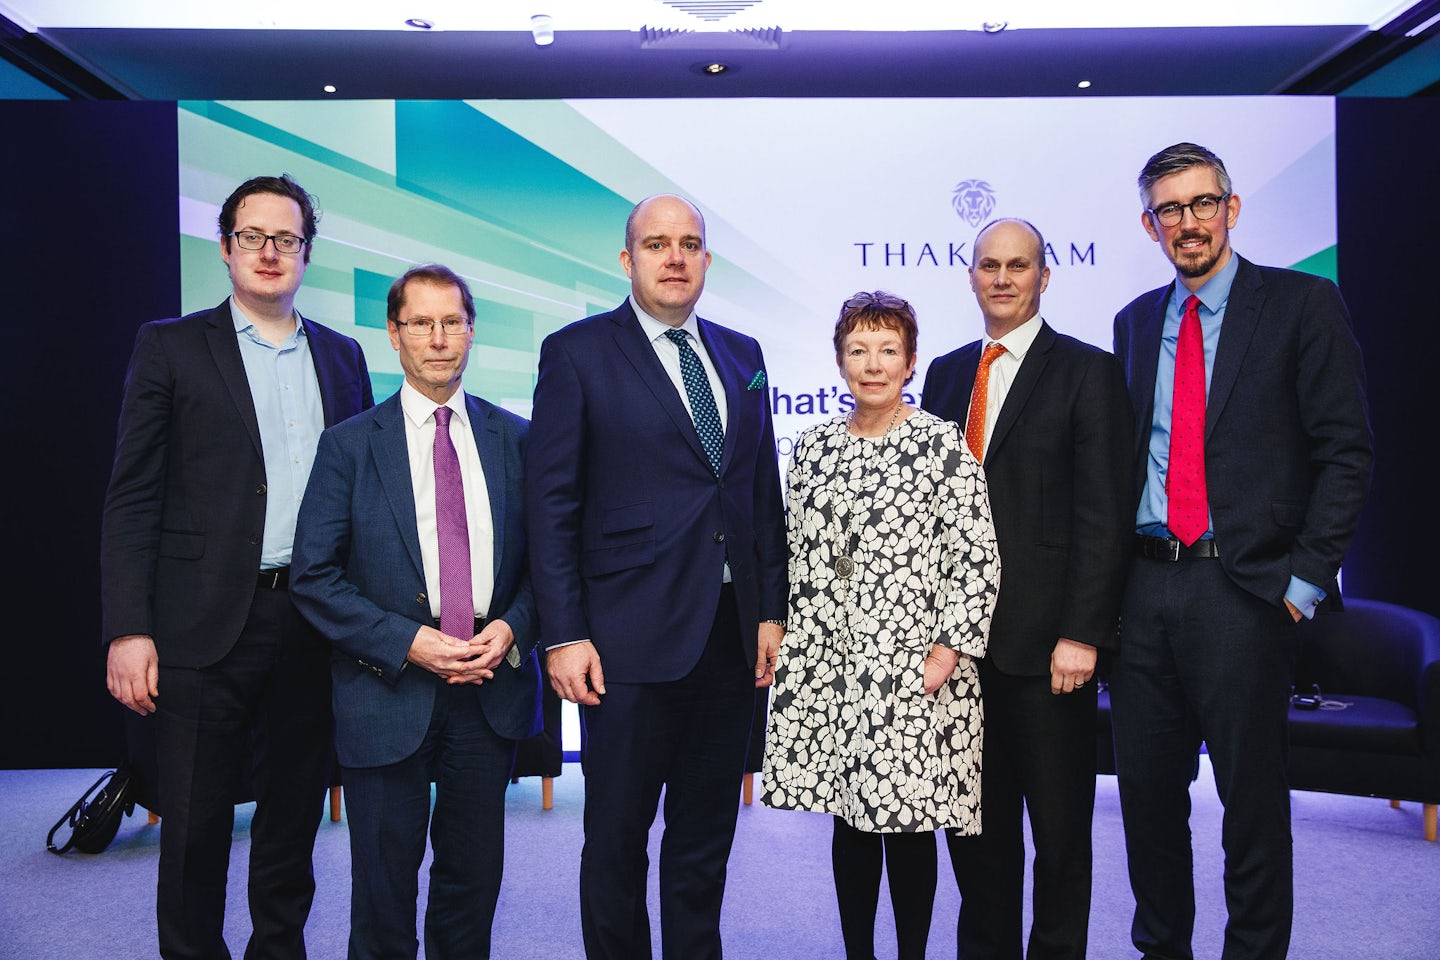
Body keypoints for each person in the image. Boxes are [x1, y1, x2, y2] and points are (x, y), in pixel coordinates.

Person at [100, 174, 373, 959]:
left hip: (312, 621)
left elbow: (358, 495)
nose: (268, 252)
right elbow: (131, 497)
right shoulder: (171, 346)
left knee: (292, 817)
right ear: (224, 249)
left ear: (306, 254)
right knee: (195, 823)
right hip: (200, 624)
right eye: (251, 236)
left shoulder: (342, 356)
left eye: (285, 239)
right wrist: (128, 628)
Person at [1111, 142, 1372, 960]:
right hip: (1145, 592)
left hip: (1245, 590)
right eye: (1169, 210)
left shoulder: (1302, 305)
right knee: (1148, 804)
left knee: (1251, 805)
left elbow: (1346, 451)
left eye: (1202, 203)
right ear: (1149, 226)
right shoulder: (1133, 322)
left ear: (1232, 206)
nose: (1188, 223)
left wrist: (1303, 581)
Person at [526, 194, 788, 960]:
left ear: (707, 258)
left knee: (704, 842)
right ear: (627, 259)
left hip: (729, 638)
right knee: (616, 840)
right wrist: (565, 633)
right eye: (656, 244)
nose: (674, 258)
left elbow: (758, 493)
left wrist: (771, 610)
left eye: (690, 244)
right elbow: (551, 506)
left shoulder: (743, 354)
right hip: (623, 642)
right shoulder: (576, 353)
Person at [290, 264, 541, 960]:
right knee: (383, 887)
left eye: (452, 322)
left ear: (470, 332)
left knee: (472, 882)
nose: (439, 339)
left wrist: (512, 627)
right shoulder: (348, 445)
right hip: (385, 689)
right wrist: (408, 642)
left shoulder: (519, 441)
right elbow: (315, 575)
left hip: (489, 692)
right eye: (421, 324)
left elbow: (550, 568)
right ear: (394, 336)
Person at [764, 291, 1000, 960]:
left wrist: (947, 652)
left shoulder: (939, 444)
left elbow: (976, 556)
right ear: (840, 361)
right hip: (836, 668)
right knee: (853, 818)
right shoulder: (811, 449)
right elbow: (799, 555)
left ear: (911, 361)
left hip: (915, 669)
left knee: (907, 824)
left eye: (888, 350)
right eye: (859, 350)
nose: (873, 364)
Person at [923, 219, 1132, 960]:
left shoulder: (1088, 371)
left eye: (1019, 265)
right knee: (975, 839)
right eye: (989, 265)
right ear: (971, 276)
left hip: (1049, 650)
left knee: (1060, 837)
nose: (1003, 278)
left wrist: (1083, 632)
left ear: (1046, 276)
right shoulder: (945, 373)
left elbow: (1104, 515)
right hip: (959, 652)